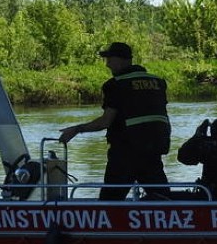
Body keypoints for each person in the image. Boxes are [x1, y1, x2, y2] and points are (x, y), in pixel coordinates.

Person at [59, 41, 171, 200]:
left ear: (122, 59)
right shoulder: (158, 82)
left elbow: (105, 122)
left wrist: (76, 129)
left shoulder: (116, 85)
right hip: (154, 151)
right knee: (164, 200)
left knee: (109, 203)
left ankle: (102, 224)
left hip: (125, 154)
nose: (107, 65)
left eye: (110, 59)